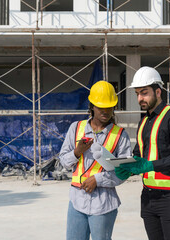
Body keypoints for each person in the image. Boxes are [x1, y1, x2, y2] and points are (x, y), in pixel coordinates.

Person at [117, 66, 170, 240]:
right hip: (148, 197)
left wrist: (152, 165)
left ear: (158, 91)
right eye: (137, 93)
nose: (140, 98)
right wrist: (127, 167)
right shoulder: (144, 121)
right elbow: (139, 155)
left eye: (144, 93)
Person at [59, 80, 132, 240]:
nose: (105, 111)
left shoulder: (120, 135)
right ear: (92, 106)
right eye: (100, 106)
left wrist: (98, 180)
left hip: (104, 204)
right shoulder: (76, 128)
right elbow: (63, 162)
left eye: (109, 107)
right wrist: (77, 152)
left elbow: (125, 172)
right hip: (77, 202)